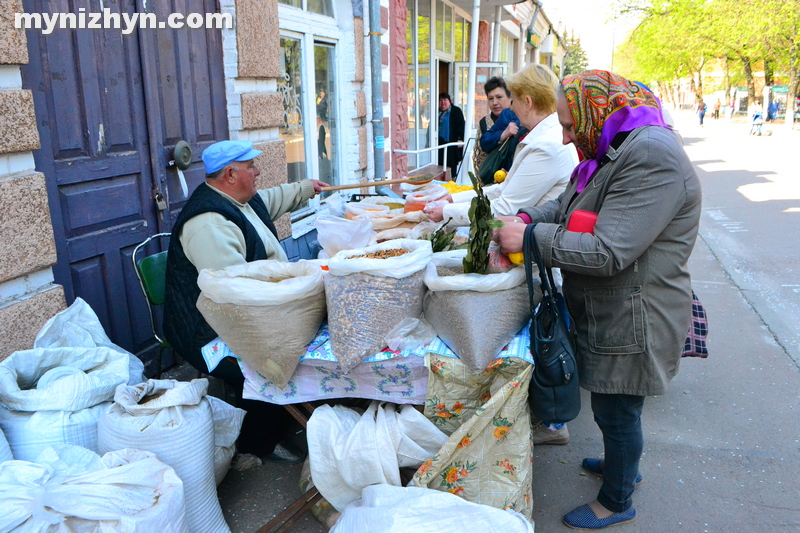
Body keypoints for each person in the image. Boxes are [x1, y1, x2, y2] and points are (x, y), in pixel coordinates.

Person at [494, 70, 701, 528]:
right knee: (613, 406)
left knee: (617, 407)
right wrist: (529, 215)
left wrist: (529, 237)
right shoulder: (615, 148)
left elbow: (608, 251)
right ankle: (620, 465)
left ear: (597, 109)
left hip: (636, 313)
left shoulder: (650, 155)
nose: (568, 138)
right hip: (616, 307)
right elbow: (572, 207)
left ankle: (618, 499)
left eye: (570, 125)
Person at [164, 140, 326, 463]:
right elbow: (236, 298)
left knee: (302, 335)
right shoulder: (209, 224)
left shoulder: (239, 200)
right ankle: (257, 442)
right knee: (271, 355)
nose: (258, 172)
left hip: (239, 309)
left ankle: (290, 416)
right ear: (230, 174)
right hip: (207, 328)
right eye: (251, 167)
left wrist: (307, 188)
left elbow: (273, 199)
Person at [426, 64, 578, 230]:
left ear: (528, 102)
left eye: (513, 100)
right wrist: (454, 199)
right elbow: (503, 190)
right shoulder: (544, 137)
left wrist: (447, 212)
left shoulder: (546, 147)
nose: (511, 107)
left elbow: (505, 208)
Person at [472, 76, 524, 173]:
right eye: (490, 98)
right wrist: (503, 134)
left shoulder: (523, 117)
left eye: (499, 97)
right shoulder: (485, 121)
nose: (494, 103)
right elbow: (481, 153)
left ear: (510, 97)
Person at [437, 92, 466, 179]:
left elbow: (461, 125)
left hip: (452, 143)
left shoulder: (456, 111)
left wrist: (460, 138)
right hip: (440, 143)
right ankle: (442, 181)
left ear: (449, 101)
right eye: (440, 101)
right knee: (440, 164)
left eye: (445, 100)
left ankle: (452, 181)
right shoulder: (437, 112)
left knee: (451, 164)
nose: (443, 103)